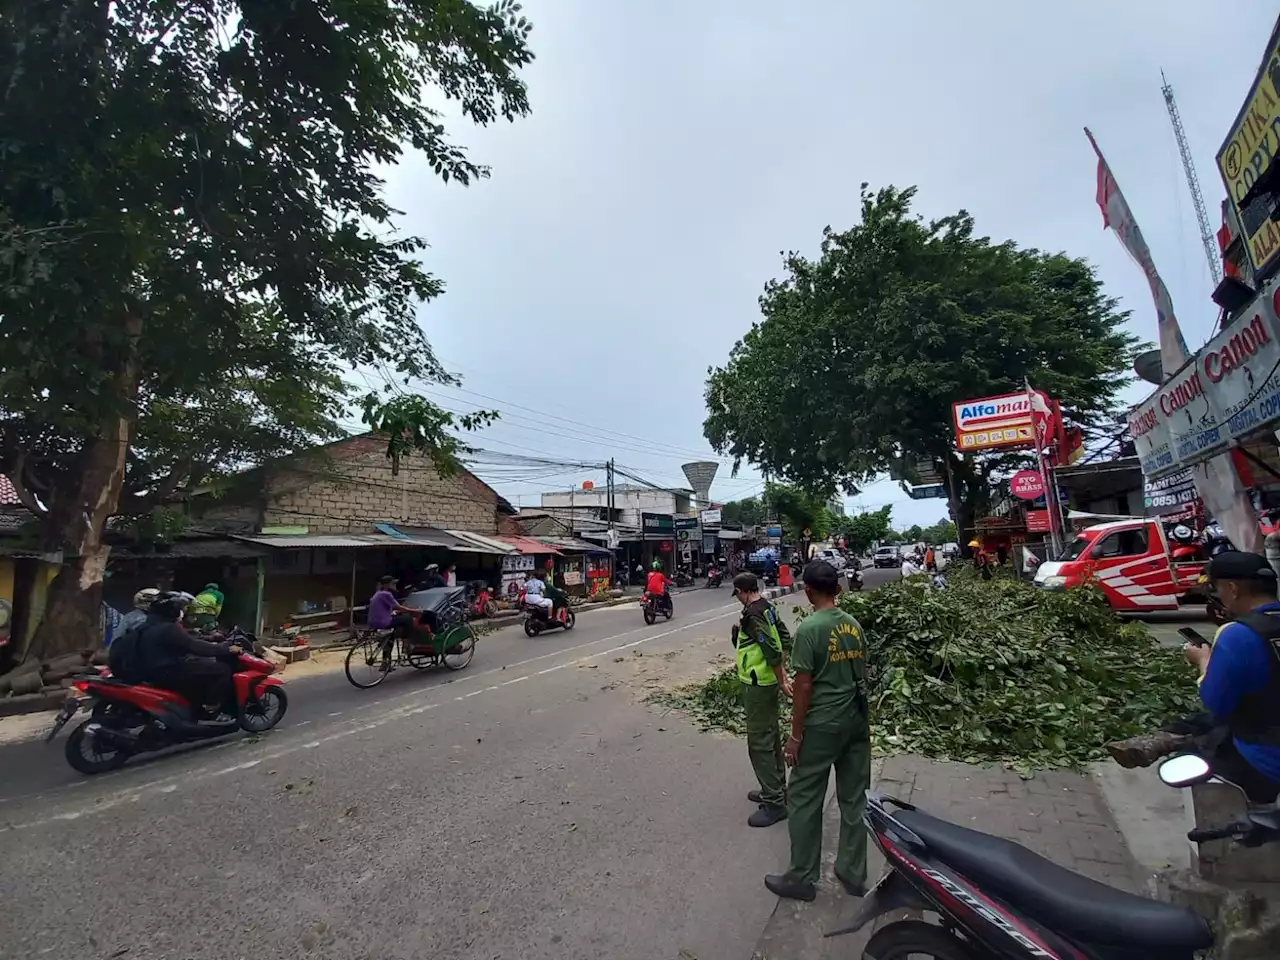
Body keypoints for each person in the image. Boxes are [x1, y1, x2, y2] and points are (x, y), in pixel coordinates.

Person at [765, 560, 871, 902]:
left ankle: (802, 877)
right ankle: (853, 871)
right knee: (855, 798)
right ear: (837, 589)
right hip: (856, 720)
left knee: (804, 798)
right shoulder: (853, 625)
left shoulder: (810, 629)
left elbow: (804, 690)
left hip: (823, 724)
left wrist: (795, 737)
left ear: (808, 590)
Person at [1180, 551, 1280, 802]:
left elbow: (1216, 703)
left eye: (1218, 588)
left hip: (1266, 763)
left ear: (1233, 589)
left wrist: (1204, 661)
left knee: (1198, 743)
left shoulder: (1237, 635)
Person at [732, 572, 793, 827]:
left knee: (759, 743)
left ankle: (774, 802)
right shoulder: (767, 607)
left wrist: (782, 679)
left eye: (736, 593)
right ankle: (777, 790)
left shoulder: (753, 615)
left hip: (759, 683)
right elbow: (785, 637)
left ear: (743, 591)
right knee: (770, 736)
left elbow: (770, 647)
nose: (736, 598)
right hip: (764, 681)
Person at [130, 591, 239, 718]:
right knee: (223, 669)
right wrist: (226, 649)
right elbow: (194, 646)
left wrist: (207, 639)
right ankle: (210, 708)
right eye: (180, 608)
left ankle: (194, 704)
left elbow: (186, 640)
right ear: (172, 610)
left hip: (152, 670)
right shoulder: (168, 628)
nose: (182, 611)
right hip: (168, 671)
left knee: (197, 663)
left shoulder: (149, 625)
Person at [368, 575, 421, 642]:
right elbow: (399, 607)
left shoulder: (378, 593)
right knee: (408, 619)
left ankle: (387, 648)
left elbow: (384, 609)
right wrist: (415, 610)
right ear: (386, 585)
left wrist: (395, 612)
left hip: (373, 622)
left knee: (398, 621)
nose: (395, 585)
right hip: (382, 622)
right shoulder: (386, 594)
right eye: (393, 583)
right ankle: (406, 643)